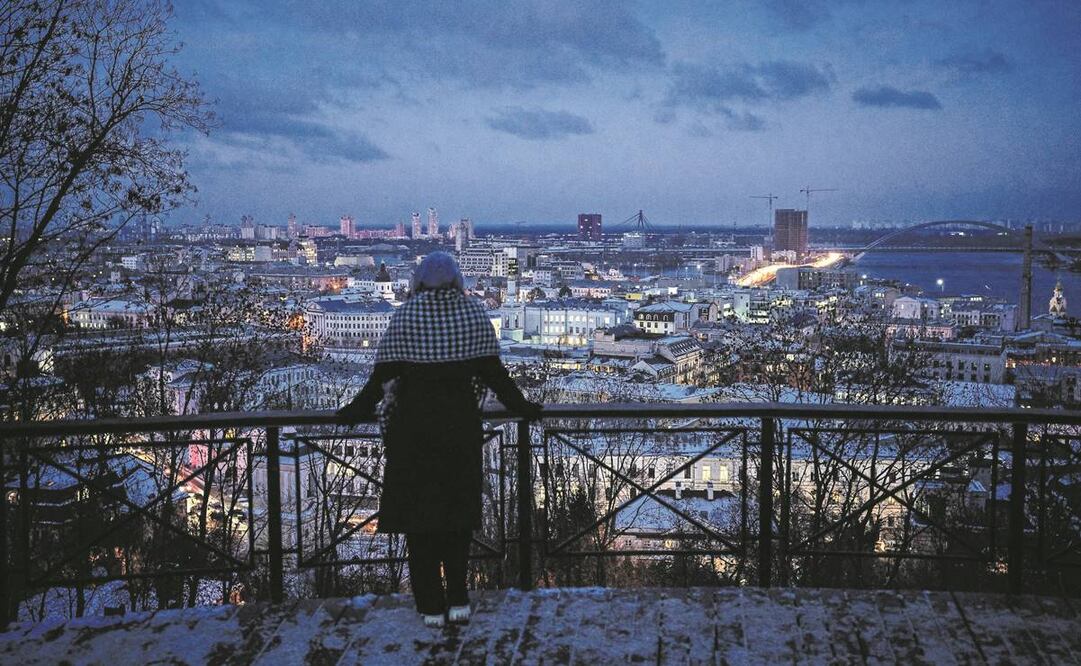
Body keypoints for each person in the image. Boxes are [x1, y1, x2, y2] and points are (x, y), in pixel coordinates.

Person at [336, 252, 541, 628]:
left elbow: (381, 379)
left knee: (420, 523)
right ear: (457, 281)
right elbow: (496, 375)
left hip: (411, 433)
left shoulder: (405, 316)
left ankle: (430, 604)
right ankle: (459, 599)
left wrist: (352, 411)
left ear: (419, 282)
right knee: (456, 517)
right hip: (458, 431)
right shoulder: (473, 314)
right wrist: (524, 408)